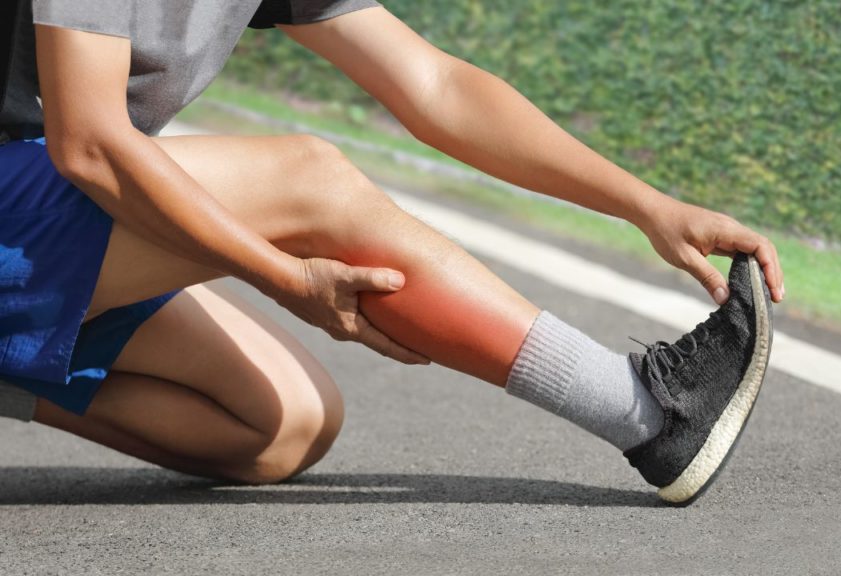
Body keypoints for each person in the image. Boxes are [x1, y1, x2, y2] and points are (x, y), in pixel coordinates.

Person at [0, 0, 783, 504]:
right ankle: (648, 414)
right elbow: (93, 143)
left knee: (282, 428)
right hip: (40, 178)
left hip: (36, 209)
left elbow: (434, 85)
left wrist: (646, 206)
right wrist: (280, 274)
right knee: (309, 181)